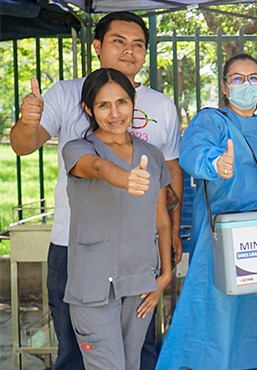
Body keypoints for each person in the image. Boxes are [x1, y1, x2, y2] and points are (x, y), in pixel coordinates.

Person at [9, 12, 182, 369]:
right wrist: (28, 122)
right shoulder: (65, 94)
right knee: (77, 352)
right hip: (75, 250)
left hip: (137, 255)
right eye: (118, 41)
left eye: (138, 45)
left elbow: (171, 173)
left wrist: (171, 238)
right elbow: (29, 148)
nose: (129, 51)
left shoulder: (160, 106)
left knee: (136, 354)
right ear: (98, 46)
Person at [156, 53, 257, 370]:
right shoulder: (211, 120)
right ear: (226, 87)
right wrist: (216, 163)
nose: (246, 84)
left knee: (253, 314)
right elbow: (193, 153)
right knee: (214, 313)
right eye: (237, 78)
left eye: (253, 78)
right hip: (220, 237)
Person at [62, 67, 171, 370]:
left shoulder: (152, 155)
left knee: (131, 364)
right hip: (93, 288)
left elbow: (162, 221)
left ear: (133, 102)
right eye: (103, 105)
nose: (114, 113)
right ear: (88, 109)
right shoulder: (79, 149)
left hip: (139, 285)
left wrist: (164, 275)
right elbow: (97, 168)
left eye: (122, 102)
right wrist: (126, 178)